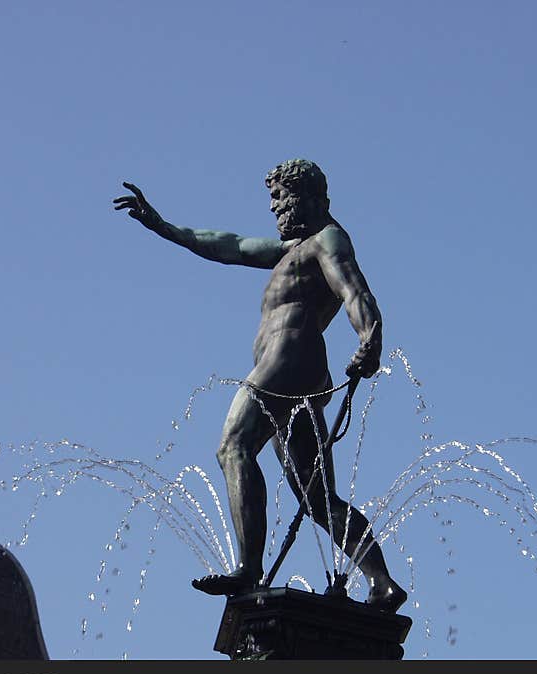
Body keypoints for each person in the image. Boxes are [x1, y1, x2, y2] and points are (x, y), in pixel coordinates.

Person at [113, 159, 406, 611]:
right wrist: (163, 226)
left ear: (310, 198)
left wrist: (370, 336)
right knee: (317, 498)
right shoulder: (294, 248)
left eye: (281, 197)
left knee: (233, 444)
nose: (274, 207)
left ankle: (249, 569)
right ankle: (382, 583)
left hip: (290, 359)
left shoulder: (328, 239)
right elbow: (228, 245)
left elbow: (354, 290)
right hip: (300, 370)